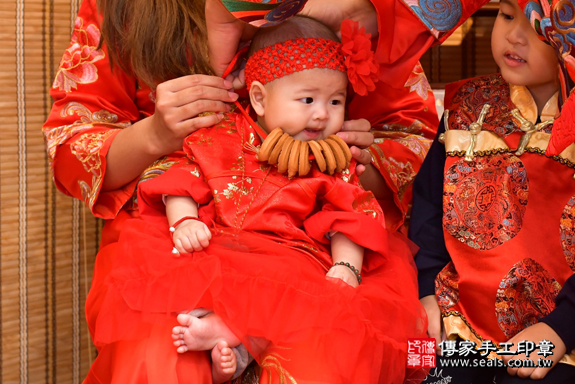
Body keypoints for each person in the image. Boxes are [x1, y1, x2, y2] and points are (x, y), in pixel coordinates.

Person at [41, 0, 487, 382]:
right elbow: (72, 145)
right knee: (161, 355)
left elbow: (417, 145)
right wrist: (155, 136)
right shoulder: (125, 10)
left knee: (323, 359)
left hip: (321, 242)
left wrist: (348, 163)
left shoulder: (350, 12)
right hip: (179, 234)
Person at [409, 0, 575, 382]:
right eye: (506, 15)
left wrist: (560, 329)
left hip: (558, 332)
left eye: (537, 28)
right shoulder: (464, 105)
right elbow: (429, 209)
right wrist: (426, 293)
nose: (514, 35)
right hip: (455, 316)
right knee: (412, 363)